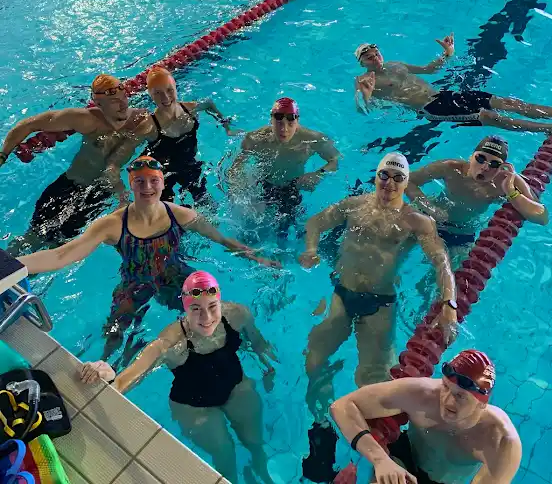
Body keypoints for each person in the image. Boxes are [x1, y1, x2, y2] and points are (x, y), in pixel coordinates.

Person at [16, 156, 280, 362]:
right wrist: (13, 266)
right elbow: (62, 254)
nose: (147, 187)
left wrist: (257, 258)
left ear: (163, 183)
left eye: (153, 180)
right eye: (139, 181)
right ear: (131, 185)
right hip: (135, 282)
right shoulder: (113, 225)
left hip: (176, 277)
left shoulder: (181, 215)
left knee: (214, 314)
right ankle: (105, 369)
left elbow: (221, 239)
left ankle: (250, 346)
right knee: (114, 333)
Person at [298, 152, 457, 482]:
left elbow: (441, 262)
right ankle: (323, 425)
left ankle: (379, 459)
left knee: (375, 382)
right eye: (385, 175)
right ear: (376, 176)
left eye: (399, 178)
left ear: (406, 183)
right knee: (313, 361)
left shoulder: (416, 222)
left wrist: (449, 304)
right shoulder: (353, 206)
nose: (390, 183)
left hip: (380, 305)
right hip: (342, 295)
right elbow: (315, 222)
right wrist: (311, 248)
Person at [80, 270, 277, 484]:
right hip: (194, 407)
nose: (207, 318)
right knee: (224, 454)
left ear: (220, 302)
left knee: (255, 444)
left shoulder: (238, 315)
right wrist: (108, 376)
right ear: (185, 308)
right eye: (196, 309)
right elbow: (128, 378)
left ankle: (262, 473)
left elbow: (259, 344)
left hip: (237, 389)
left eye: (212, 307)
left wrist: (268, 368)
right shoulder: (170, 342)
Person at [1, 74, 152, 251]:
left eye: (124, 97)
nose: (123, 104)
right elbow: (28, 124)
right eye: (114, 101)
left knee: (58, 248)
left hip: (99, 195)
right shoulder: (87, 119)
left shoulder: (139, 120)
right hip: (68, 188)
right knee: (32, 238)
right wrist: (3, 154)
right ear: (98, 104)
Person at [330, 349, 522, 484]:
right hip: (403, 458)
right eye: (445, 387)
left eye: (460, 396)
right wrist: (381, 460)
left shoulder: (501, 441)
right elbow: (342, 406)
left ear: (482, 403)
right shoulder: (422, 394)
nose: (447, 401)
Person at [354, 35, 552, 134]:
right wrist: (366, 95)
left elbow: (428, 70)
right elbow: (363, 110)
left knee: (506, 102)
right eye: (369, 58)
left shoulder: (396, 64)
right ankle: (550, 128)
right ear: (362, 63)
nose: (375, 58)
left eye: (376, 54)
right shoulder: (363, 81)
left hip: (444, 95)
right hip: (430, 108)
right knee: (488, 116)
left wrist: (447, 53)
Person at [407, 135, 548, 257]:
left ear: (502, 167)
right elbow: (407, 181)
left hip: (461, 233)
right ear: (471, 156)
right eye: (480, 158)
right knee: (396, 251)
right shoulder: (450, 168)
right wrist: (430, 208)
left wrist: (511, 191)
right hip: (428, 218)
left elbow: (542, 217)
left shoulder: (506, 181)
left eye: (494, 164)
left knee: (447, 274)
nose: (485, 167)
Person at [228, 97, 341, 241]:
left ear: (297, 120)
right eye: (279, 123)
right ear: (271, 119)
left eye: (290, 123)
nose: (284, 129)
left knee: (285, 233)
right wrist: (238, 187)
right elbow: (235, 167)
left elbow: (335, 160)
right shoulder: (254, 139)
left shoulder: (312, 139)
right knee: (250, 233)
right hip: (263, 184)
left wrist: (318, 174)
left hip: (293, 187)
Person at [143, 66, 241, 204]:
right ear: (150, 94)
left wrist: (227, 128)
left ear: (176, 87)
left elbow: (209, 104)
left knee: (206, 203)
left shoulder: (190, 109)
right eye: (157, 93)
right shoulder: (149, 126)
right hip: (162, 173)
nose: (165, 97)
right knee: (165, 209)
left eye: (169, 90)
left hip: (189, 165)